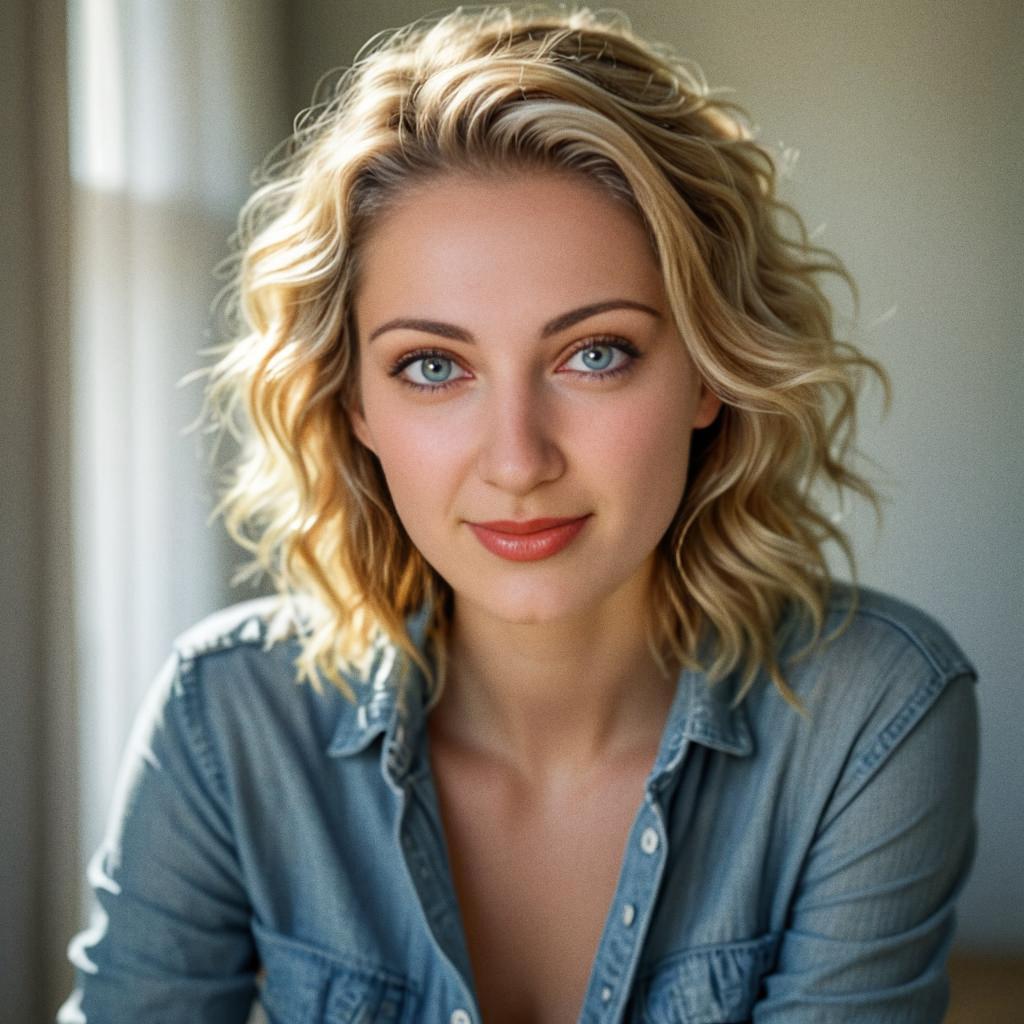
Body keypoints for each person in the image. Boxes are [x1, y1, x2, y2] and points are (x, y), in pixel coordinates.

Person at [58, 7, 978, 1023]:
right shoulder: (226, 719)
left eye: (595, 353)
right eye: (432, 366)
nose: (516, 460)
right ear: (354, 402)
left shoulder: (871, 713)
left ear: (709, 371)